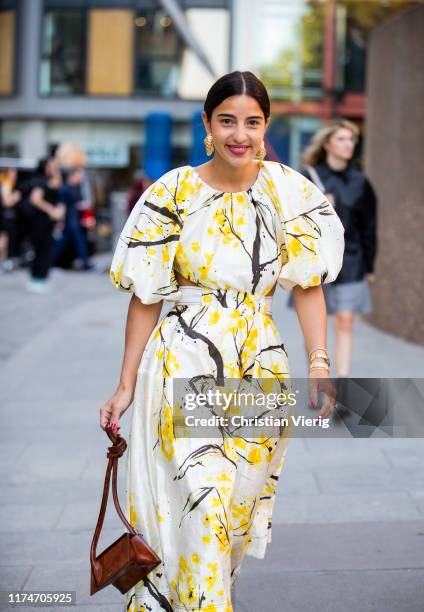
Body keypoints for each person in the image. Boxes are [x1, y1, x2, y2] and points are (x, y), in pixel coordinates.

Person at [99, 71, 345, 611]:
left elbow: (307, 286)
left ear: (266, 126)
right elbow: (145, 297)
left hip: (260, 365)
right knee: (202, 500)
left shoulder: (289, 193)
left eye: (252, 122)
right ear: (207, 124)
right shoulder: (173, 194)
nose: (240, 134)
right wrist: (123, 385)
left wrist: (320, 363)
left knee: (229, 517)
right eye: (227, 120)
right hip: (182, 361)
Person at [290, 120, 377, 421]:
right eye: (341, 138)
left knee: (345, 322)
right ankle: (317, 375)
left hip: (352, 261)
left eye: (352, 139)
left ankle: (340, 387)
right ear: (328, 143)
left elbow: (369, 226)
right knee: (314, 321)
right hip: (317, 261)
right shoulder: (309, 179)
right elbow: (293, 219)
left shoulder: (360, 182)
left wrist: (370, 265)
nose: (348, 144)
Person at [26, 157, 65, 293]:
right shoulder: (40, 182)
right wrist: (52, 210)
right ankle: (36, 279)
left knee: (47, 250)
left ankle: (41, 277)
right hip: (39, 221)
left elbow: (58, 186)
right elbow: (35, 199)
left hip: (48, 223)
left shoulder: (51, 181)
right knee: (41, 250)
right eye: (51, 164)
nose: (54, 167)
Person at [53, 166, 94, 271]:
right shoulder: (65, 189)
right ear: (72, 176)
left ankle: (51, 261)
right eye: (79, 175)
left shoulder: (76, 188)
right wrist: (60, 221)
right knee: (78, 241)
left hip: (75, 219)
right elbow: (62, 206)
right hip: (70, 220)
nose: (80, 178)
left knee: (64, 242)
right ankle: (85, 263)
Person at [0, 167, 22, 272]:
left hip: (5, 215)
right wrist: (16, 197)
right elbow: (6, 202)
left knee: (5, 239)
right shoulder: (6, 182)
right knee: (3, 240)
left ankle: (3, 262)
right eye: (13, 172)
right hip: (4, 215)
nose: (15, 174)